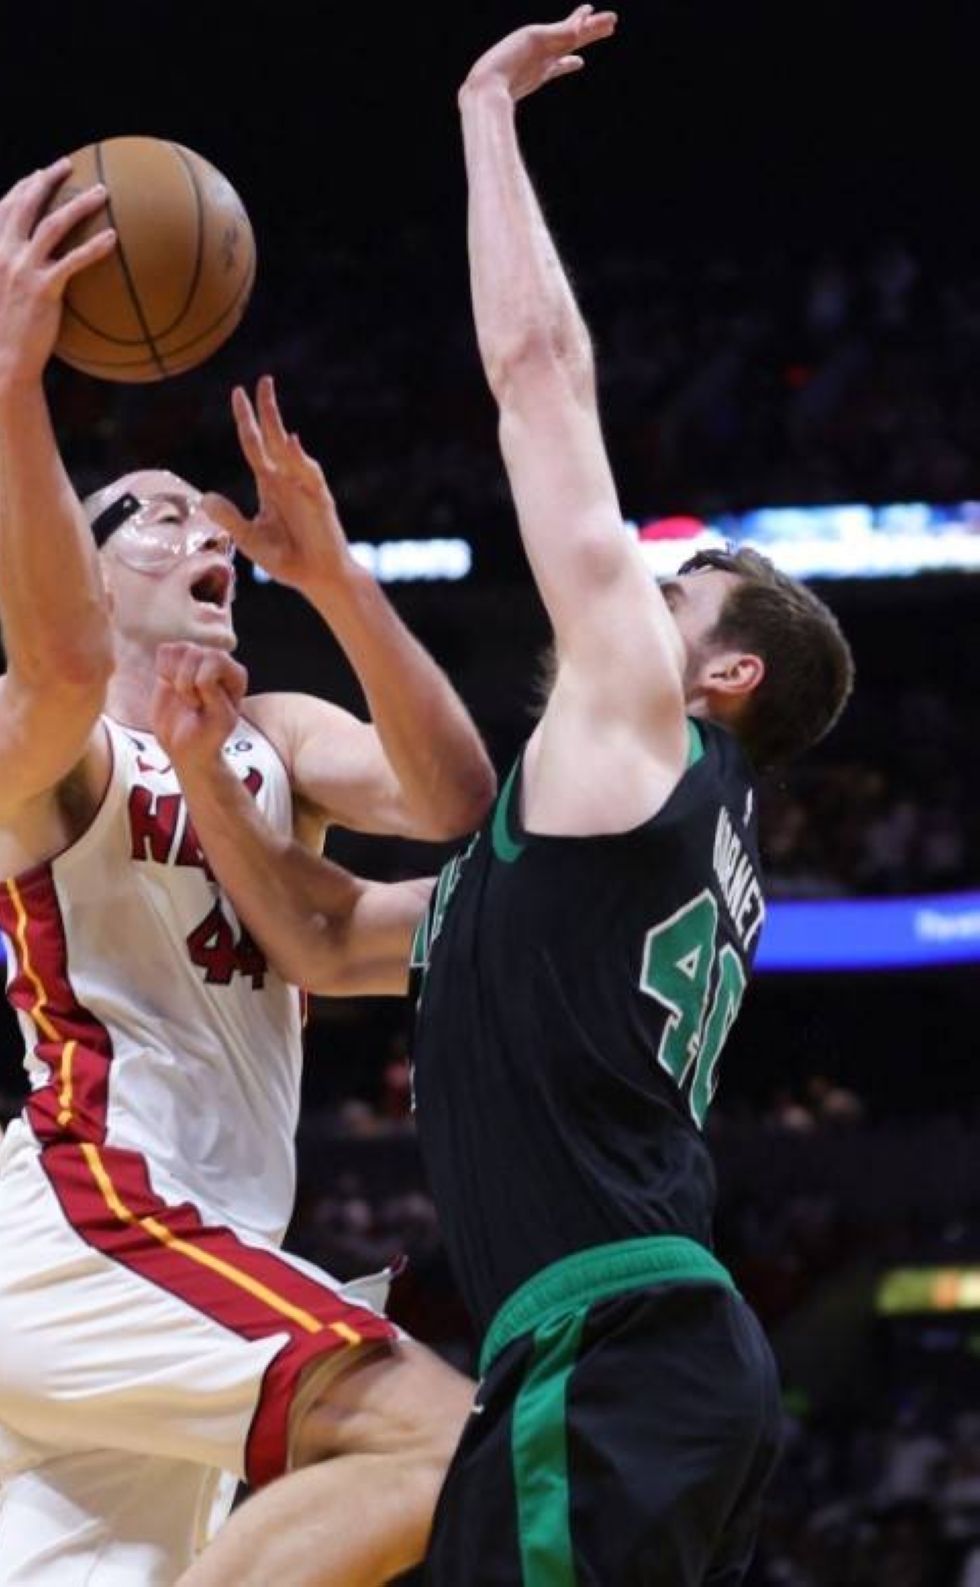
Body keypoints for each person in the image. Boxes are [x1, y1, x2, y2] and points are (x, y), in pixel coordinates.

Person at [150, 9, 857, 1583]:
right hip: (635, 1357)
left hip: (616, 1348)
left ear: (724, 678)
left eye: (680, 597)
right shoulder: (599, 865)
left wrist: (482, 110)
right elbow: (329, 940)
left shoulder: (649, 738)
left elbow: (539, 375)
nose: (636, 597)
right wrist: (211, 755)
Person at [0, 160, 493, 1585]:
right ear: (87, 560)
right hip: (99, 1224)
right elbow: (61, 656)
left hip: (187, 1264)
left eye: (213, 516)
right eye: (161, 515)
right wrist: (14, 383)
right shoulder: (38, 750)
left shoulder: (278, 739)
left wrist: (338, 581)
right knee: (447, 1446)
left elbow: (456, 799)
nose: (209, 532)